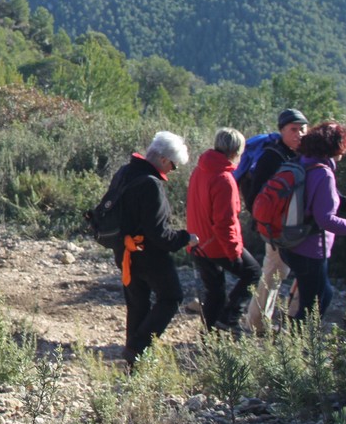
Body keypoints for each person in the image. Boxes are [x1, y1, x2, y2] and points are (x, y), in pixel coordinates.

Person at [110, 131, 197, 365]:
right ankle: (138, 347)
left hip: (124, 251)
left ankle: (134, 360)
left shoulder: (125, 172)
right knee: (171, 297)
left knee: (137, 303)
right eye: (173, 165)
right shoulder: (151, 184)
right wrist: (185, 238)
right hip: (148, 255)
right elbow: (159, 234)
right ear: (163, 159)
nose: (173, 170)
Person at [279, 122, 346, 319]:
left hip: (289, 242)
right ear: (334, 147)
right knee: (314, 306)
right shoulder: (323, 174)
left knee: (320, 296)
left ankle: (291, 334)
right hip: (310, 249)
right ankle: (295, 337)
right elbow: (326, 221)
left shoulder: (301, 162)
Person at [186, 128, 260, 331]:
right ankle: (229, 318)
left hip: (197, 242)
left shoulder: (200, 169)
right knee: (253, 273)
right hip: (215, 245)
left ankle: (210, 336)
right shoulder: (224, 179)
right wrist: (234, 253)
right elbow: (225, 223)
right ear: (237, 151)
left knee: (215, 292)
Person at [242, 108, 308, 333]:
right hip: (276, 229)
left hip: (296, 228)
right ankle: (257, 324)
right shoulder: (271, 157)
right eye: (293, 130)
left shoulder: (302, 155)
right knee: (274, 273)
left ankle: (283, 322)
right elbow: (254, 197)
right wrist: (268, 221)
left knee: (283, 273)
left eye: (302, 129)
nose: (299, 134)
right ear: (282, 131)